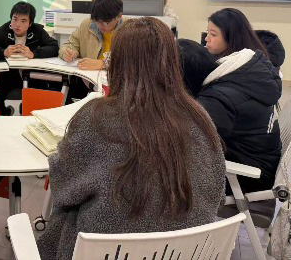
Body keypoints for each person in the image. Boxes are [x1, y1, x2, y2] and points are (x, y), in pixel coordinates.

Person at [38, 18, 225, 260]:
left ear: (117, 62)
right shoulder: (200, 118)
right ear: (171, 61)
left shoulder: (95, 118)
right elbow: (215, 192)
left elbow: (64, 189)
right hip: (184, 252)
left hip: (105, 251)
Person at [199, 7, 282, 192]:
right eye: (207, 32)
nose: (206, 39)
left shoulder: (228, 90)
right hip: (261, 162)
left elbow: (196, 134)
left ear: (231, 38)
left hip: (248, 176)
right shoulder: (250, 70)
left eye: (213, 34)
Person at [0, 1, 59, 115]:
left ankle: (27, 111)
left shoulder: (38, 31)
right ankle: (4, 112)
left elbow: (54, 47)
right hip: (8, 75)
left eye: (23, 21)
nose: (17, 24)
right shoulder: (3, 31)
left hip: (33, 74)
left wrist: (34, 54)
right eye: (15, 19)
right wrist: (3, 52)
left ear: (30, 23)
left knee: (40, 102)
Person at [59, 0, 123, 71]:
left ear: (119, 16)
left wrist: (103, 63)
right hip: (87, 75)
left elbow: (131, 59)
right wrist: (68, 53)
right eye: (97, 21)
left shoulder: (129, 29)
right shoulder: (87, 24)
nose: (100, 26)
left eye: (105, 23)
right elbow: (69, 45)